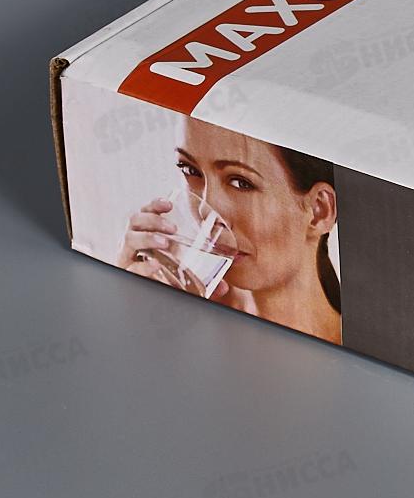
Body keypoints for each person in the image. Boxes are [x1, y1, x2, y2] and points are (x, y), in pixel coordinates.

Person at [117, 118, 341, 344]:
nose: (206, 210)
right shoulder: (184, 327)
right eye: (191, 170)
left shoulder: (354, 349)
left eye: (240, 183)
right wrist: (126, 315)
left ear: (319, 210)